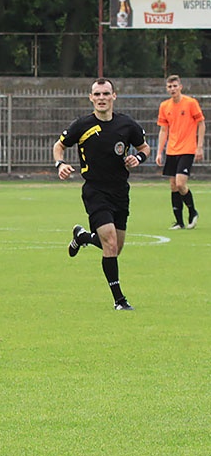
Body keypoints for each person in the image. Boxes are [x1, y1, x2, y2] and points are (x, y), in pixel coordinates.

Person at [54, 78, 151, 311]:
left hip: (120, 191)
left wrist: (138, 158)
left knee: (116, 247)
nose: (101, 98)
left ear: (114, 96)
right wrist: (59, 164)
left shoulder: (127, 125)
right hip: (95, 190)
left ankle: (82, 237)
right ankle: (119, 300)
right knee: (109, 242)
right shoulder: (82, 125)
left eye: (106, 94)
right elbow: (59, 146)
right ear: (91, 98)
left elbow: (144, 147)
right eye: (97, 94)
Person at [155, 75, 204, 229]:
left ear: (180, 87)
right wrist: (159, 151)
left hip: (188, 149)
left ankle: (192, 212)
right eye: (169, 87)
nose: (172, 89)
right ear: (166, 89)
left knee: (180, 183)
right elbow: (163, 130)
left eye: (175, 86)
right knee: (173, 186)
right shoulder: (164, 106)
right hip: (172, 150)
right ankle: (179, 222)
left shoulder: (191, 103)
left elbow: (201, 123)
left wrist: (199, 146)